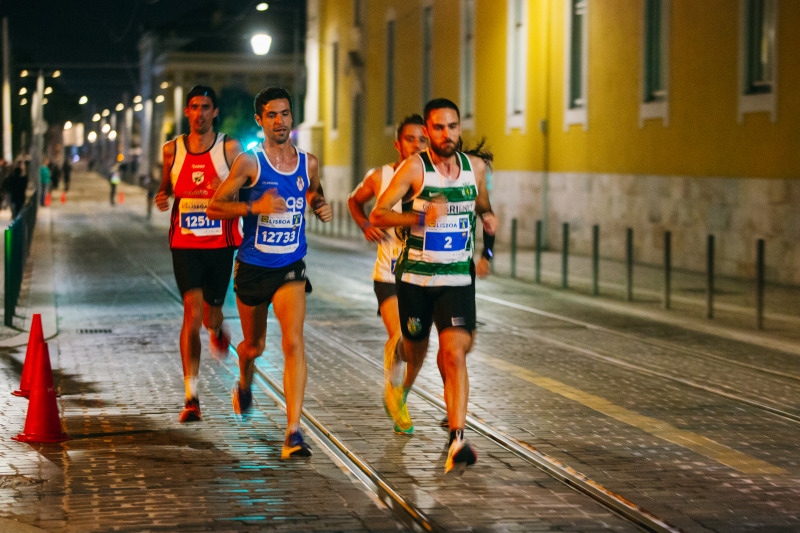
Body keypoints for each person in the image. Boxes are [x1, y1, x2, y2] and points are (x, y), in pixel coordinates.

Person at [369, 98, 498, 475]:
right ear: (428, 133)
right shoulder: (414, 169)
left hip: (457, 279)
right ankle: (401, 388)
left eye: (453, 126)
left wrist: (488, 247)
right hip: (415, 281)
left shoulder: (475, 168)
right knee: (415, 352)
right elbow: (379, 213)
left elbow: (485, 212)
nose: (447, 134)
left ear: (460, 128)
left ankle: (457, 437)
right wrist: (419, 216)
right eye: (439, 128)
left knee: (455, 352)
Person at [208, 87, 332, 459]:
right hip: (252, 267)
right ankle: (244, 377)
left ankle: (293, 432)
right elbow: (216, 207)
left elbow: (313, 192)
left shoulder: (308, 162)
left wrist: (321, 206)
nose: (280, 122)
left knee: (294, 341)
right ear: (260, 120)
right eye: (272, 115)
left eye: (286, 114)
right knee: (255, 346)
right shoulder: (249, 162)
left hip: (291, 265)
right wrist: (255, 206)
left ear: (293, 118)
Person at [155, 85, 244, 423]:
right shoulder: (171, 150)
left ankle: (218, 330)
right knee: (192, 314)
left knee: (210, 316)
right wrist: (163, 195)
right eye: (194, 107)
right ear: (187, 112)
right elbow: (166, 186)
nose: (200, 113)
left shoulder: (229, 149)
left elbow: (246, 182)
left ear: (215, 112)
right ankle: (191, 395)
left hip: (221, 246)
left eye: (206, 107)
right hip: (186, 244)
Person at [347, 114, 427, 435]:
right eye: (411, 139)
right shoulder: (380, 176)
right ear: (398, 144)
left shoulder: (432, 178)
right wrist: (365, 223)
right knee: (402, 336)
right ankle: (393, 390)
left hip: (421, 276)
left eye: (423, 140)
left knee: (416, 345)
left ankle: (400, 391)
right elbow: (355, 201)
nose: (417, 145)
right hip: (389, 273)